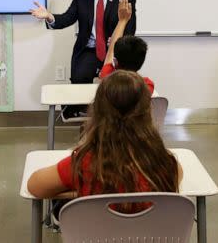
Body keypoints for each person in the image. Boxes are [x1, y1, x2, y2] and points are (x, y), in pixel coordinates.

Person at [27, 70, 182, 212]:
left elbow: (35, 186)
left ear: (97, 112)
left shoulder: (83, 163)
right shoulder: (167, 164)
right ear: (148, 113)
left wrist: (76, 191)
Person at [30, 0, 136, 84]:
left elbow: (130, 29)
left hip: (114, 52)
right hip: (88, 51)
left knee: (117, 88)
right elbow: (66, 18)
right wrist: (49, 16)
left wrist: (117, 41)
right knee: (79, 83)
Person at [98, 0, 154, 93]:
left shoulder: (107, 79)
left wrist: (122, 21)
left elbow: (109, 56)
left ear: (115, 62)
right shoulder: (147, 86)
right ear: (141, 62)